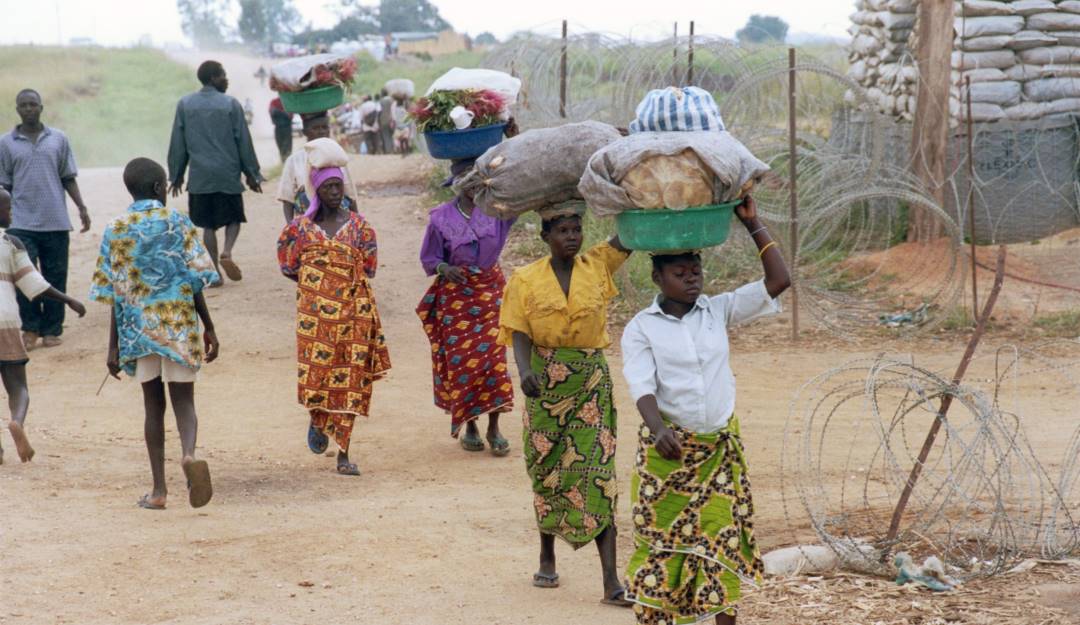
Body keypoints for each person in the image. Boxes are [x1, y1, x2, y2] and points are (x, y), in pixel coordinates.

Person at [620, 196, 790, 625]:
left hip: (716, 453)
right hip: (670, 455)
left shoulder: (717, 311)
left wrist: (753, 223)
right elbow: (642, 386)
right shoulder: (642, 327)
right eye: (680, 273)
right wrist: (658, 429)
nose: (691, 280)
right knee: (665, 552)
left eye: (696, 271)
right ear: (657, 277)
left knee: (721, 548)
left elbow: (779, 281)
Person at [499, 204, 634, 606]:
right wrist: (523, 372)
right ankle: (547, 555)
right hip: (544, 383)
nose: (572, 236)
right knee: (548, 470)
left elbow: (630, 236)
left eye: (577, 229)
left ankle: (611, 582)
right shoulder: (526, 279)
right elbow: (519, 330)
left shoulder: (597, 265)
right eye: (562, 230)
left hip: (590, 382)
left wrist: (636, 195)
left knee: (598, 475)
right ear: (545, 236)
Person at [90, 158, 221, 510]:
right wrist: (208, 326)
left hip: (137, 331)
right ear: (159, 189)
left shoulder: (116, 228)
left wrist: (113, 347)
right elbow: (197, 279)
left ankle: (159, 491)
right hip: (178, 325)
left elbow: (114, 293)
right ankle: (190, 454)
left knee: (152, 405)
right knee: (184, 401)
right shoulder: (176, 221)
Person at [277, 165, 390, 475]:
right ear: (316, 191)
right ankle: (317, 418)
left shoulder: (360, 227)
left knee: (350, 379)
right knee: (317, 375)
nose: (335, 192)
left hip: (354, 312)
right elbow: (288, 266)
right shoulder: (298, 230)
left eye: (339, 186)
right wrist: (319, 289)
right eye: (328, 187)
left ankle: (344, 452)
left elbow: (369, 267)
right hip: (314, 317)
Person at [416, 159, 515, 455]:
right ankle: (470, 424)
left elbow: (520, 192)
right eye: (467, 182)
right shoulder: (440, 218)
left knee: (494, 361)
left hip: (490, 294)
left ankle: (495, 427)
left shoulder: (497, 211)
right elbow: (430, 258)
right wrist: (446, 269)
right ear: (457, 184)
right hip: (457, 299)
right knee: (464, 365)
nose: (473, 187)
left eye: (477, 181)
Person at [0, 88, 91, 351]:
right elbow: (3, 184)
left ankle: (52, 330)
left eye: (33, 104)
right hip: (21, 222)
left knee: (55, 275)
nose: (29, 109)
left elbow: (67, 176)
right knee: (24, 277)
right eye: (23, 105)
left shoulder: (58, 139)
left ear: (41, 107)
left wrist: (81, 207)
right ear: (17, 110)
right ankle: (30, 328)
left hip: (55, 220)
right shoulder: (6, 143)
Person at [0, 188, 85, 465]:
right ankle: (17, 422)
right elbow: (35, 286)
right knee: (18, 387)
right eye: (8, 208)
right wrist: (69, 300)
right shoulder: (11, 244)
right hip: (7, 323)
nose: (11, 213)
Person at [168, 60, 263, 287]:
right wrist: (252, 173)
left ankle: (216, 272)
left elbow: (178, 144)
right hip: (227, 173)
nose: (226, 79)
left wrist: (177, 174)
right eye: (223, 75)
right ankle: (228, 251)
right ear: (213, 78)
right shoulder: (231, 104)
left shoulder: (185, 104)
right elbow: (243, 142)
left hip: (200, 177)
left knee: (208, 225)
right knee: (234, 218)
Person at [276, 115, 357, 223]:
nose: (321, 132)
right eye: (316, 128)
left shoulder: (337, 156)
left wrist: (357, 223)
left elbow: (349, 193)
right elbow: (287, 198)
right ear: (305, 132)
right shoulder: (294, 160)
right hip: (307, 223)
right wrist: (290, 228)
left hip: (337, 222)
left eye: (324, 127)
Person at [269, 97, 293, 161]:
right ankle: (283, 160)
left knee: (287, 146)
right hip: (278, 127)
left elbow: (290, 115)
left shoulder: (288, 101)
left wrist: (279, 112)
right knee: (280, 145)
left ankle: (287, 160)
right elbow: (272, 112)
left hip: (287, 127)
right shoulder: (274, 102)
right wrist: (282, 112)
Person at [378, 89, 395, 155]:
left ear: (382, 94)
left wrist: (378, 121)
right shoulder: (391, 100)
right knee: (391, 135)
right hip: (392, 120)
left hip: (383, 121)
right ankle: (393, 149)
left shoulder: (381, 101)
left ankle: (388, 150)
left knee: (386, 136)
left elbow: (379, 111)